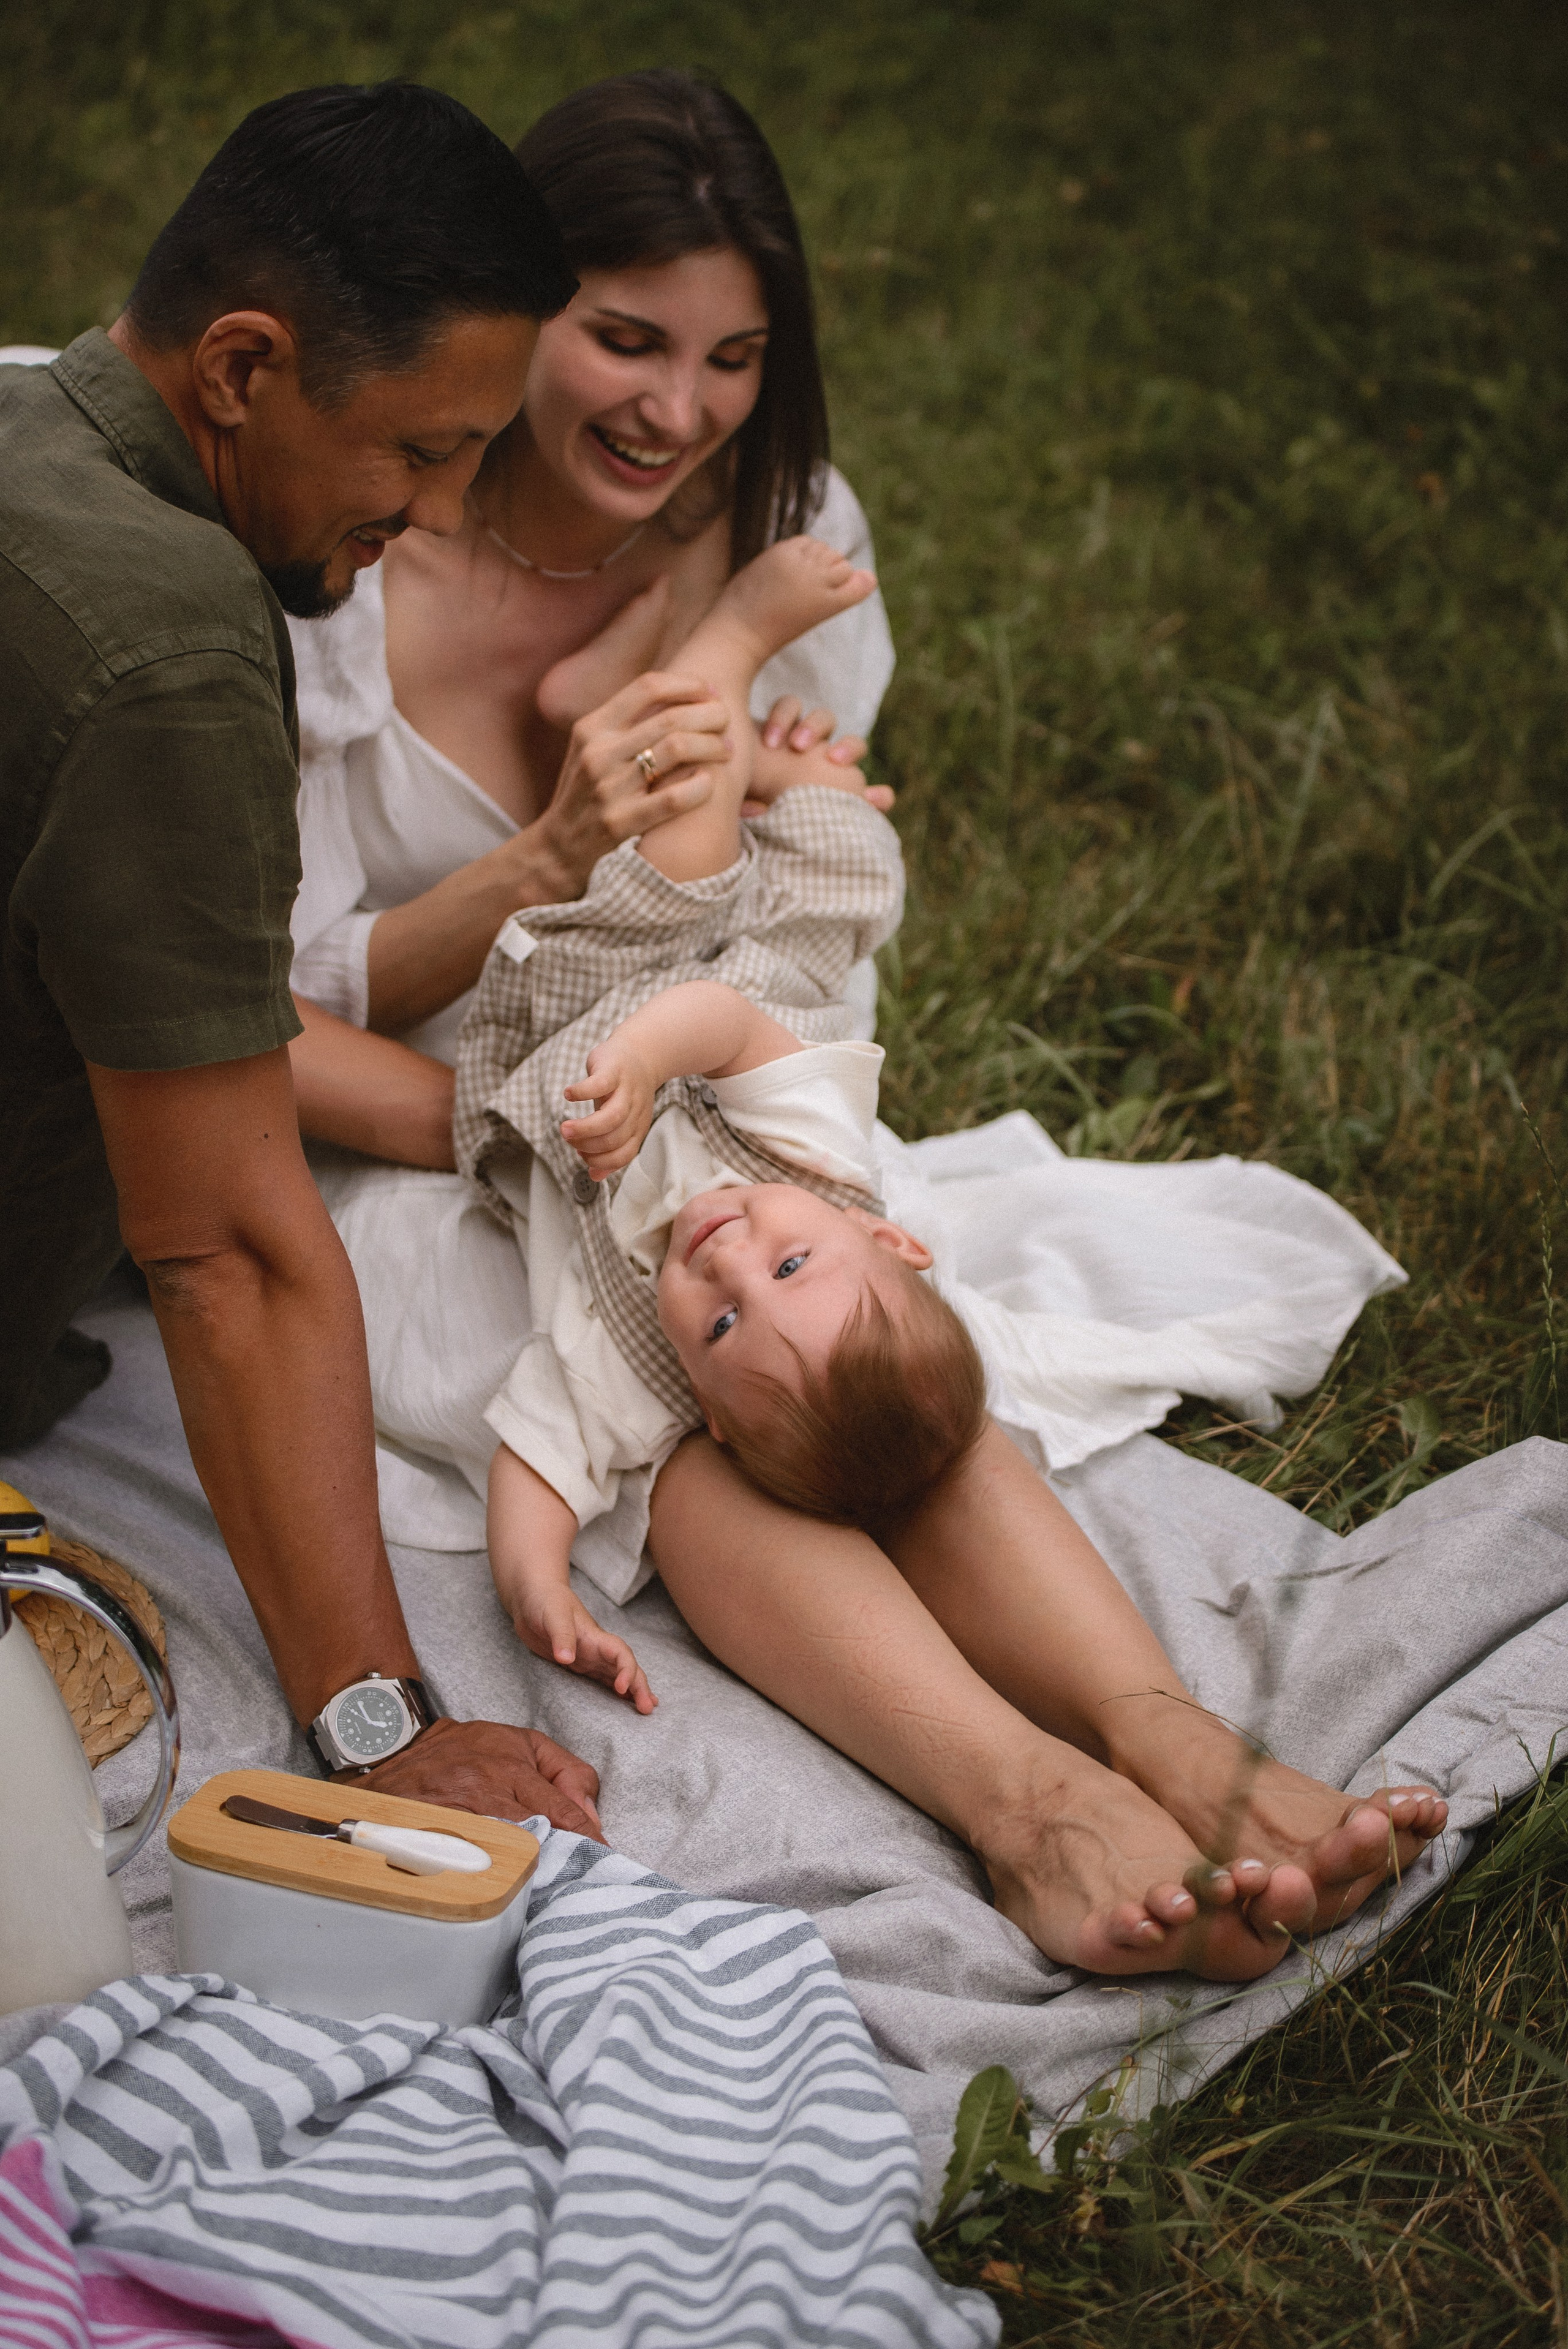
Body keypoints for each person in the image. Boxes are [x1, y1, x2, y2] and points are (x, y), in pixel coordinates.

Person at [457, 533, 1449, 1983]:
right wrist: (534, 1571)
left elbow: (725, 1016)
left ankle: (1168, 1738)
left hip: (680, 1008)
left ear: (884, 1229)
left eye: (777, 1274)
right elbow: (554, 1433)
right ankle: (1037, 1808)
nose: (728, 1257)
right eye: (728, 1313)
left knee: (913, 1421)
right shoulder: (668, 1318)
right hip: (522, 1068)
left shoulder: (801, 1158)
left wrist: (751, 757)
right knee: (685, 1461)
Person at [0, 82, 612, 1833]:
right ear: (244, 365)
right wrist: (378, 1722)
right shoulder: (176, 648)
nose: (434, 512)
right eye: (419, 451)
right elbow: (230, 1247)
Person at [285, 69, 896, 1181]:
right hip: (398, 1123)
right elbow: (244, 1014)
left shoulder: (787, 530)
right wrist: (551, 862)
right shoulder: (346, 571)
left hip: (695, 1085)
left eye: (732, 359)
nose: (676, 415)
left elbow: (783, 934)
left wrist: (816, 802)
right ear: (511, 306)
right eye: (625, 342)